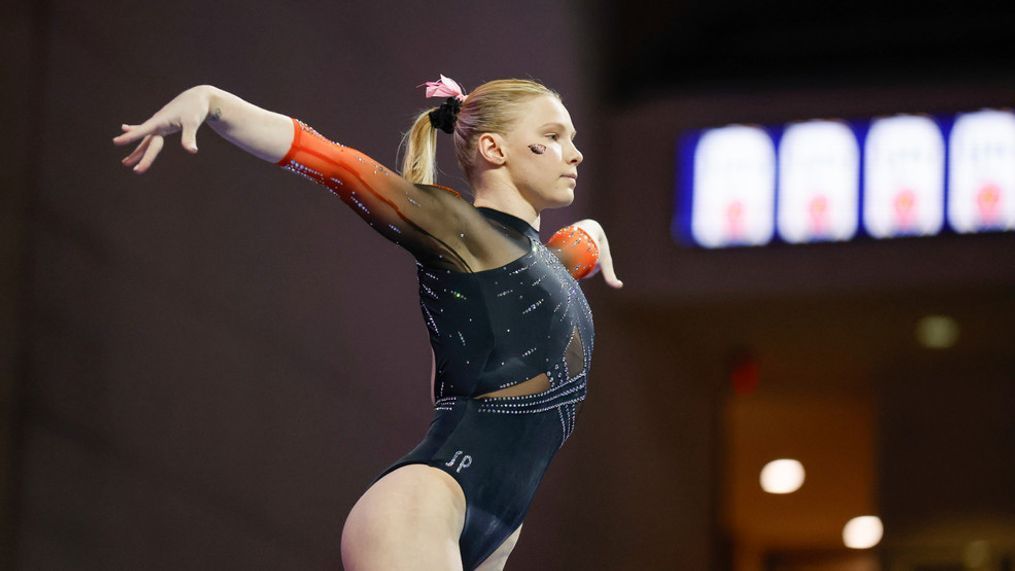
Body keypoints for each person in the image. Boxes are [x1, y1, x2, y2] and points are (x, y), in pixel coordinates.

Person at [112, 75, 622, 570]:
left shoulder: (538, 263)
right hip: (423, 506)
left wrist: (593, 235)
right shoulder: (460, 228)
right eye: (552, 138)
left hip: (491, 530)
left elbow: (559, 263)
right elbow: (335, 164)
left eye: (573, 139)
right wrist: (215, 102)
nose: (574, 153)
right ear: (494, 149)